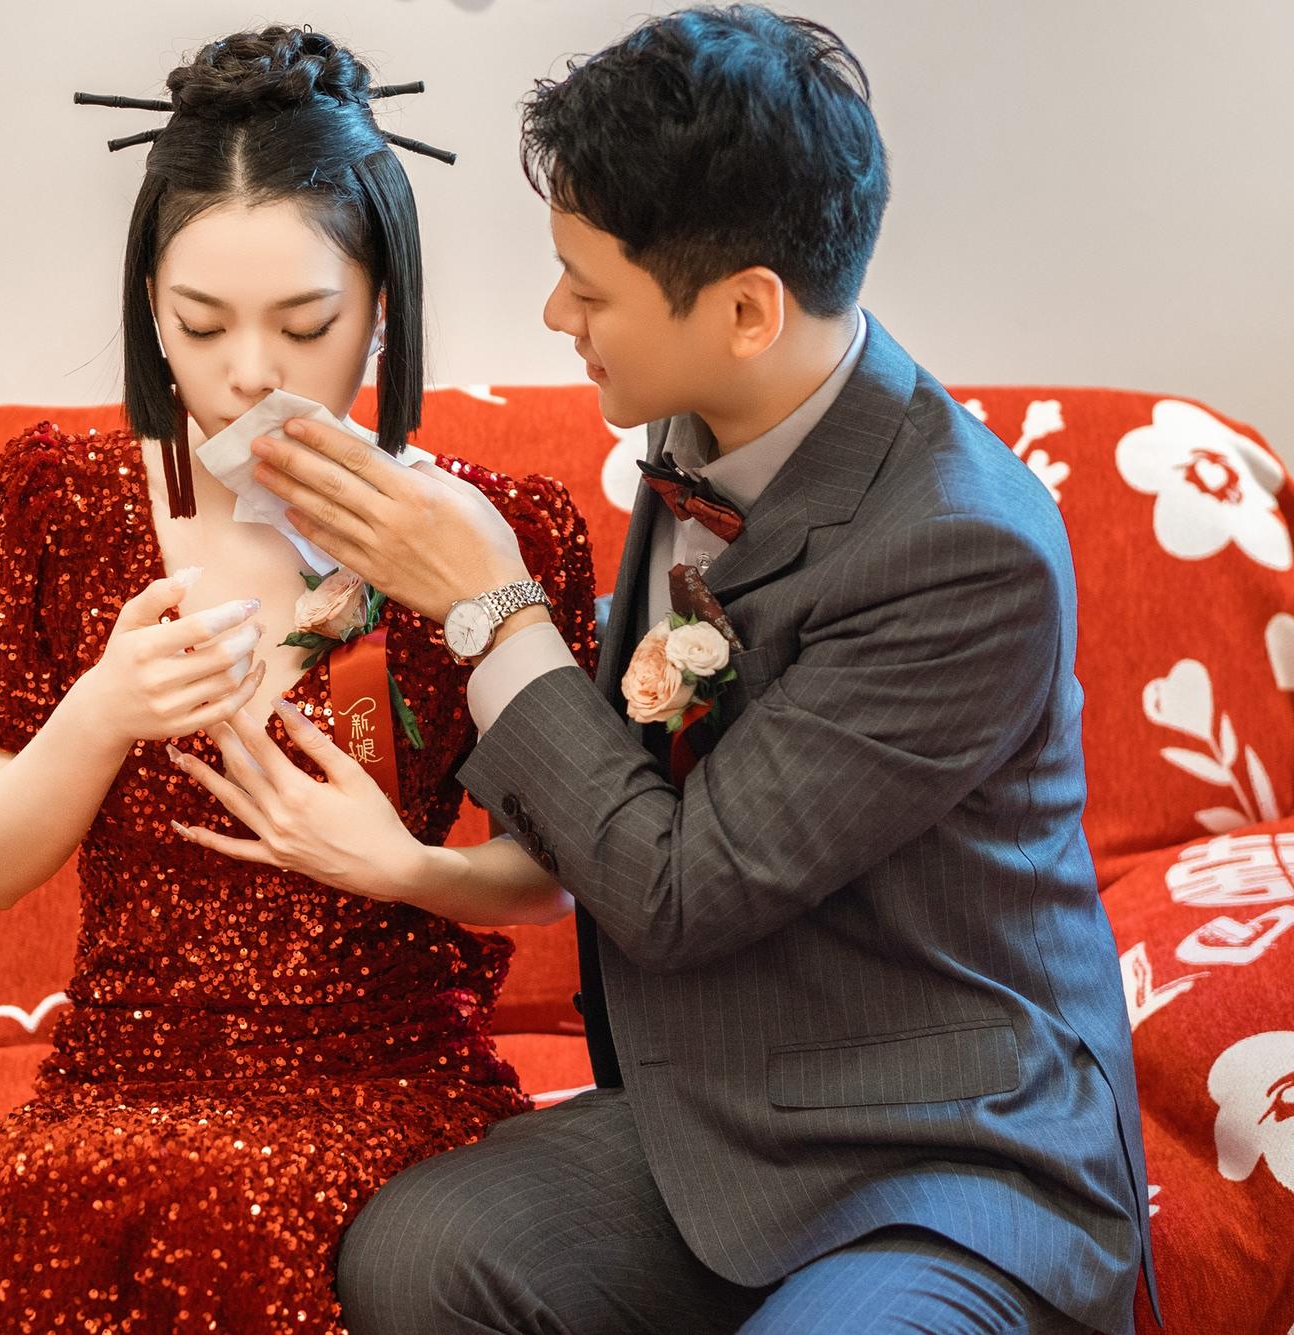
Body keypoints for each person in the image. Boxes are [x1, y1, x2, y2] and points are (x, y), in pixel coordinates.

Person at [227, 8, 1156, 1333]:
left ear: (744, 310)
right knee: (417, 1257)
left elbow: (672, 893)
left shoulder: (964, 549)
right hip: (722, 1109)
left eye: (589, 289)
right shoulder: (701, 420)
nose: (556, 314)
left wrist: (490, 602)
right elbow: (621, 762)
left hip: (947, 1147)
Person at [0, 26, 598, 1335]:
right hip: (123, 1069)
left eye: (307, 323)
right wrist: (104, 706)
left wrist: (403, 868)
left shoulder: (492, 530)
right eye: (199, 323)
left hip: (389, 1065)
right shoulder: (62, 500)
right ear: (147, 308)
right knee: (20, 1192)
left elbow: (555, 875)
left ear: (381, 303)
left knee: (247, 1199)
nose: (251, 373)